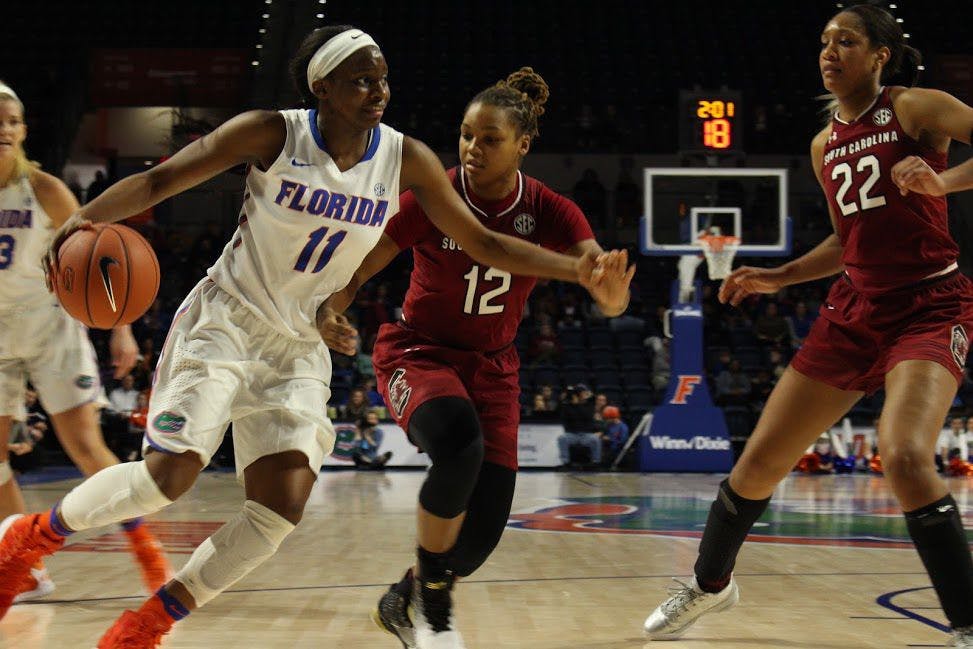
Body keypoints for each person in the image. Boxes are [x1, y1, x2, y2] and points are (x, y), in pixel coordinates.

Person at [0, 29, 616, 647]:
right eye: (361, 80)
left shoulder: (406, 158)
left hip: (296, 346)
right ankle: (30, 538)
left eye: (382, 78)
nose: (379, 91)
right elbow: (160, 183)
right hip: (227, 321)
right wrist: (85, 217)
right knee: (169, 477)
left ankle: (148, 624)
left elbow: (484, 243)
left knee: (278, 511)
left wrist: (577, 268)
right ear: (322, 87)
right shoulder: (272, 132)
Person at [643, 7, 973, 646]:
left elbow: (945, 176)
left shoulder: (914, 108)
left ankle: (966, 623)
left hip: (931, 305)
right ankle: (709, 587)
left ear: (879, 55)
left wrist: (942, 182)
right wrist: (779, 275)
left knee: (904, 455)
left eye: (845, 41)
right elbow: (846, 242)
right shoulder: (825, 144)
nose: (829, 51)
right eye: (823, 41)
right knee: (757, 467)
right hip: (854, 311)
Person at [317, 67, 632, 648]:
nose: (472, 148)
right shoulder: (432, 196)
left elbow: (601, 277)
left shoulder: (553, 210)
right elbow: (362, 265)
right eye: (465, 134)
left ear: (523, 145)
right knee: (459, 445)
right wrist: (334, 306)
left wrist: (611, 293)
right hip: (418, 353)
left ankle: (405, 596)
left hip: (494, 368)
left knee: (479, 540)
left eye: (489, 139)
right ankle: (436, 610)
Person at [0, 81, 169, 605]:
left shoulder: (45, 189)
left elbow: (98, 256)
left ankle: (154, 564)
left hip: (50, 326)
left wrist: (119, 327)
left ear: (24, 130)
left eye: (10, 121)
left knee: (86, 450)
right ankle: (24, 568)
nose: (3, 131)